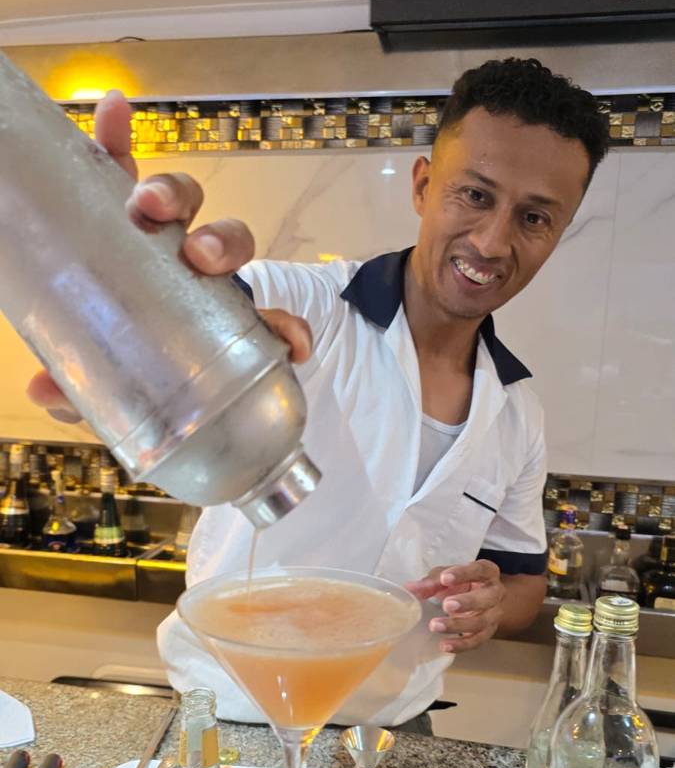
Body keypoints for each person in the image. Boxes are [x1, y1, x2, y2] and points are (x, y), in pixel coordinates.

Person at [30, 57, 608, 730]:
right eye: (474, 195)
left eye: (533, 217)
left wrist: (490, 604)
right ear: (423, 185)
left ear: (557, 234)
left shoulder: (516, 413)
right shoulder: (304, 306)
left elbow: (523, 582)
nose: (491, 240)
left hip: (391, 732)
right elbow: (161, 335)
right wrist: (112, 286)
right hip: (234, 713)